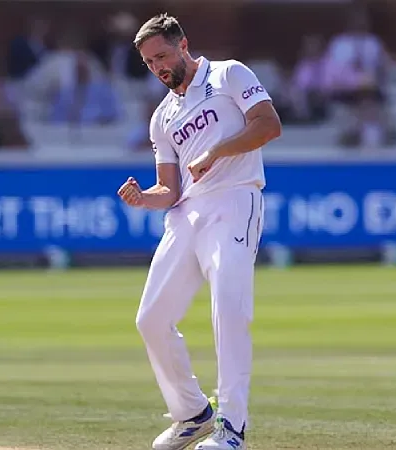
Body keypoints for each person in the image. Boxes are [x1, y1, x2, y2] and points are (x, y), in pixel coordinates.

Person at [117, 13, 282, 450]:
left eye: (162, 56)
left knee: (228, 309)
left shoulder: (228, 74)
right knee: (151, 318)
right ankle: (192, 413)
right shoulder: (162, 116)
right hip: (186, 215)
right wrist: (144, 197)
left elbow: (268, 124)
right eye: (149, 63)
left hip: (234, 198)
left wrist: (216, 151)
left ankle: (232, 428)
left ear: (183, 44)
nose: (158, 68)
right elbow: (169, 190)